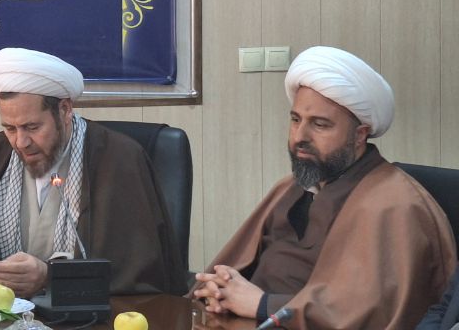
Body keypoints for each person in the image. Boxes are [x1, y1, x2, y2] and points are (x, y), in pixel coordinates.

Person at [193, 46, 456, 329]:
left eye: (319, 125)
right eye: (295, 120)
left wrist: (262, 304)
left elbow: (369, 312)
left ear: (359, 135)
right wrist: (221, 288)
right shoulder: (289, 187)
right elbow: (243, 265)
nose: (300, 136)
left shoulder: (394, 204)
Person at [0, 48, 186, 298]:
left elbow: (137, 270)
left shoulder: (119, 158)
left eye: (32, 127)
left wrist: (50, 276)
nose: (21, 142)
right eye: (10, 128)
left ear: (64, 110)